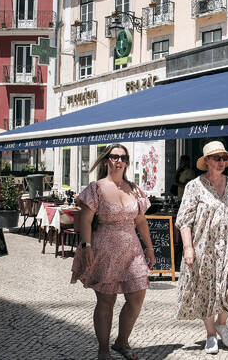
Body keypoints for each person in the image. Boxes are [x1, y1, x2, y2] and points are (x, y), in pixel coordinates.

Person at [72, 144, 155, 360]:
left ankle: (121, 342)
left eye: (123, 157)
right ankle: (103, 351)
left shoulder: (134, 189)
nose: (118, 160)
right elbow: (85, 220)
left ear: (127, 162)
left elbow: (141, 221)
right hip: (104, 250)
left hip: (133, 250)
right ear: (107, 159)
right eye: (114, 156)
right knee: (106, 301)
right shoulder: (96, 188)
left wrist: (150, 247)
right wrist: (87, 246)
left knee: (137, 297)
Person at [175, 141, 228, 354]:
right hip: (203, 247)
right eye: (216, 158)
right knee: (206, 291)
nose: (221, 162)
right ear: (206, 161)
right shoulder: (194, 186)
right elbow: (184, 220)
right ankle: (210, 334)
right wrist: (188, 248)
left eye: (224, 158)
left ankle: (222, 323)